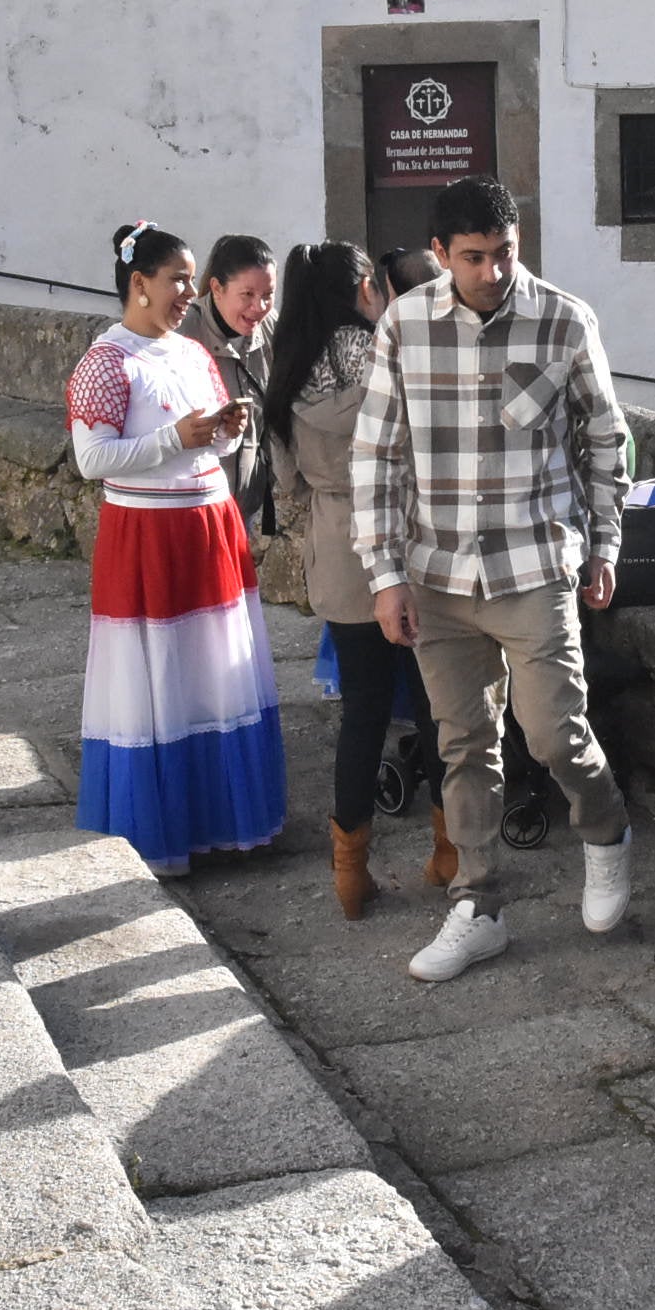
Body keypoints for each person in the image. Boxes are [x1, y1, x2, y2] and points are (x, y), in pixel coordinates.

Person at [353, 175, 634, 982]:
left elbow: (606, 442)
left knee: (553, 735)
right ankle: (478, 904)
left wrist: (606, 546)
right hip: (435, 572)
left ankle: (607, 832)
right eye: (473, 257)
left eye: (504, 253)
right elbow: (378, 455)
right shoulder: (403, 325)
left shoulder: (564, 319)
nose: (493, 271)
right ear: (439, 255)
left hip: (533, 566)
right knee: (462, 746)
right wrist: (383, 575)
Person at [70, 221, 288, 873]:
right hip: (148, 537)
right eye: (179, 280)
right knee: (159, 678)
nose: (189, 293)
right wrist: (179, 439)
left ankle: (221, 821)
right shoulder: (107, 362)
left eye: (191, 280)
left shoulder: (191, 354)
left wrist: (222, 433)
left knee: (210, 676)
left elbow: (208, 440)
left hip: (207, 527)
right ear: (139, 285)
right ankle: (163, 831)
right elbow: (91, 458)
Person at [263, 240, 451, 916]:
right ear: (363, 287)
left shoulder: (285, 373)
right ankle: (448, 851)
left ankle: (350, 872)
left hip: (339, 549)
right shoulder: (386, 355)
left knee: (362, 714)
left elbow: (284, 483)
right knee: (437, 703)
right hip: (410, 536)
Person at [178, 233, 275, 527]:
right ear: (217, 288)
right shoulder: (185, 333)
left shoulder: (271, 328)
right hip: (192, 504)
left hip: (243, 505)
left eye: (268, 295)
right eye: (247, 295)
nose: (259, 307)